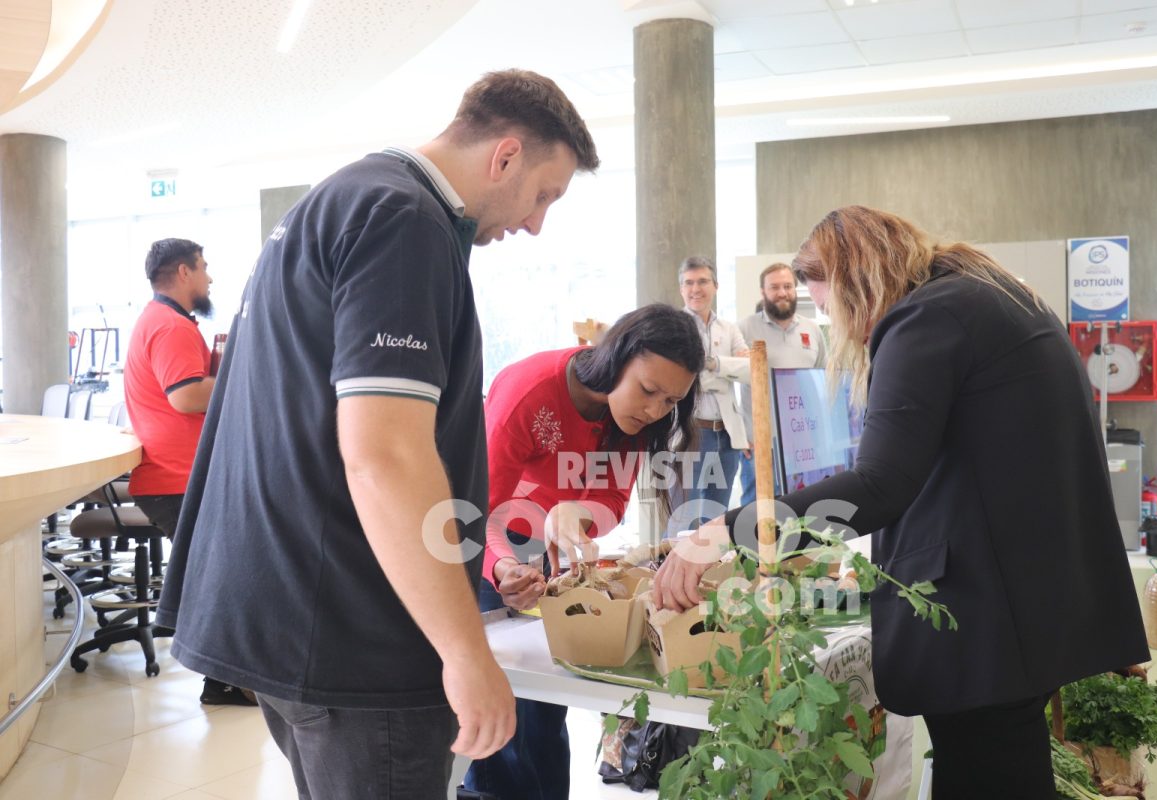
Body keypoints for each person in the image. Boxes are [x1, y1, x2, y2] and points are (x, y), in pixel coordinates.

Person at [155, 70, 599, 800]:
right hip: (353, 634)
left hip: (280, 606)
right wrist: (465, 652)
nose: (536, 222)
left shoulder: (340, 198)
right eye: (545, 194)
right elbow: (385, 455)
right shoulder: (406, 222)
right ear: (507, 156)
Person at [653, 206, 1150, 799]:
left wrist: (724, 534)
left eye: (833, 307)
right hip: (1027, 600)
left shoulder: (925, 318)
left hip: (990, 621)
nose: (844, 328)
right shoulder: (983, 294)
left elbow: (881, 485)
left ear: (859, 282)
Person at [464, 303, 703, 800]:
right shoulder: (530, 392)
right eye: (648, 391)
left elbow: (613, 502)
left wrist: (576, 508)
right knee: (511, 714)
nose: (656, 410)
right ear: (617, 356)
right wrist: (502, 566)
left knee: (547, 707)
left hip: (554, 551)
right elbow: (473, 510)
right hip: (489, 542)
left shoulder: (635, 422)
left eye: (671, 401)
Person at [123, 238, 254, 707]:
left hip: (175, 476)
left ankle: (224, 679)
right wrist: (242, 377)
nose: (210, 277)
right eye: (204, 267)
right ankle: (224, 681)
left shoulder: (159, 321)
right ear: (183, 272)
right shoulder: (170, 326)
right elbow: (185, 395)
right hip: (177, 478)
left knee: (217, 577)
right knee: (223, 578)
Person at [736, 262, 825, 506]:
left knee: (802, 506)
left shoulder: (813, 330)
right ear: (763, 292)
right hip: (761, 440)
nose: (782, 292)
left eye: (787, 286)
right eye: (774, 287)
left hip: (803, 440)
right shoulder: (744, 329)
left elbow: (821, 381)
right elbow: (730, 382)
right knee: (755, 509)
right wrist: (741, 433)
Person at [678, 256, 750, 523]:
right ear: (681, 289)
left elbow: (750, 370)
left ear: (716, 286)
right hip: (692, 434)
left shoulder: (728, 328)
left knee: (717, 519)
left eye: (703, 281)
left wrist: (712, 363)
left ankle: (713, 567)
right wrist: (726, 371)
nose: (696, 289)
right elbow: (689, 377)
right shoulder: (675, 327)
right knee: (684, 518)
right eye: (689, 283)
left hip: (727, 436)